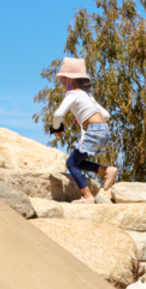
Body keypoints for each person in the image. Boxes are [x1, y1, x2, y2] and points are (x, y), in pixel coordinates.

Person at [50, 57, 117, 204]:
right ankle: (107, 171)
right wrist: (85, 118)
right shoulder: (88, 95)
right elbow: (106, 115)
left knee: (70, 164)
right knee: (78, 163)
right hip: (104, 130)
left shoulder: (72, 94)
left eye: (61, 79)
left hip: (92, 131)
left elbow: (58, 114)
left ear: (68, 80)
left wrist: (57, 128)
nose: (61, 83)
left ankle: (88, 196)